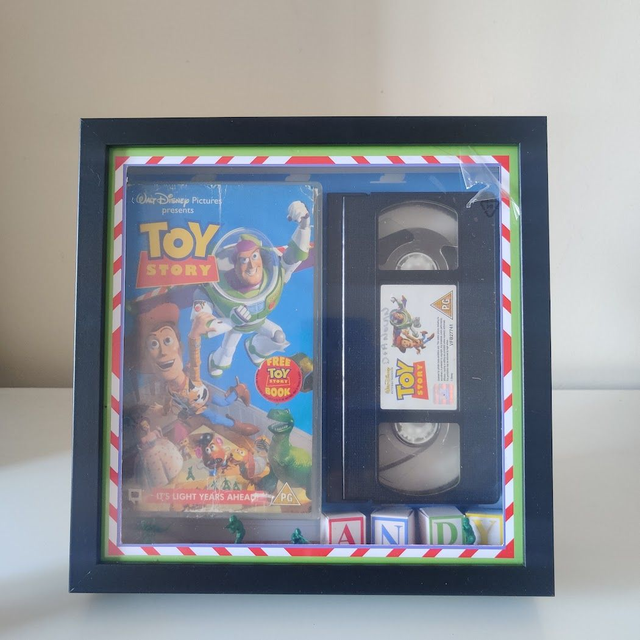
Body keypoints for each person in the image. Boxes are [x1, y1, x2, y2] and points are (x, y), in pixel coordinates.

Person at [195, 200, 312, 376]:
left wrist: (304, 225)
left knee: (278, 337)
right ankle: (216, 360)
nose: (251, 265)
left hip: (259, 322)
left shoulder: (273, 273)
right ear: (235, 265)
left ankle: (255, 349)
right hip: (234, 326)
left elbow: (295, 256)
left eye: (254, 256)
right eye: (243, 260)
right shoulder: (215, 287)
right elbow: (202, 325)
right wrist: (231, 321)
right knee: (225, 356)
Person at [138, 302, 258, 436]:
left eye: (167, 341)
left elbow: (195, 359)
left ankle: (240, 389)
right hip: (197, 409)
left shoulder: (192, 379)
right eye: (153, 344)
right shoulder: (169, 389)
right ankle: (236, 426)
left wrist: (195, 334)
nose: (163, 352)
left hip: (205, 395)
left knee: (224, 402)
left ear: (180, 348)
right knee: (214, 418)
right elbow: (168, 402)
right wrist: (162, 410)